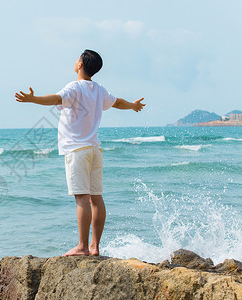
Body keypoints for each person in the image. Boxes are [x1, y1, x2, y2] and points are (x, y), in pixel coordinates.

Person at [15, 49, 145, 256]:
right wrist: (133, 106)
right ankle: (95, 246)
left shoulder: (74, 87)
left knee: (82, 198)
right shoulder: (99, 90)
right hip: (95, 149)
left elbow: (57, 99)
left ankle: (83, 246)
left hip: (77, 149)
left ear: (80, 65)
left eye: (77, 59)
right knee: (97, 198)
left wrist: (34, 99)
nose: (75, 61)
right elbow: (118, 102)